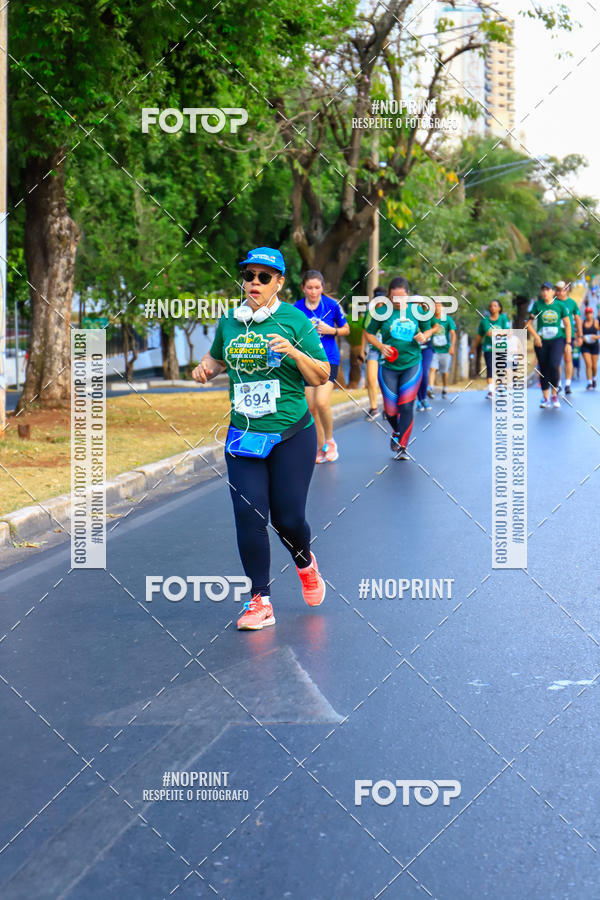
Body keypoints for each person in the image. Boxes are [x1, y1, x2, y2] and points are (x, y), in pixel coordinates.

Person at [192, 247, 329, 630]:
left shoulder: (294, 321)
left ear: (279, 283)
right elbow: (218, 358)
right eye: (249, 276)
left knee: (288, 518)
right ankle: (260, 600)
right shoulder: (230, 323)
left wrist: (294, 353)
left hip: (291, 433)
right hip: (244, 436)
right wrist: (206, 368)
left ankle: (304, 562)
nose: (254, 282)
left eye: (263, 277)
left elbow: (321, 374)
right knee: (248, 514)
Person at [364, 277, 437, 460]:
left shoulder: (418, 310)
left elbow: (430, 329)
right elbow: (368, 333)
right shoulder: (381, 312)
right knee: (390, 411)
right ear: (389, 295)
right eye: (394, 298)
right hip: (388, 366)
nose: (398, 302)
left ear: (408, 295)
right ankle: (397, 431)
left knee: (406, 406)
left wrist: (423, 335)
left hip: (412, 364)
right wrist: (380, 347)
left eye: (402, 298)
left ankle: (403, 446)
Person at [295, 270, 349, 463]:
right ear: (303, 288)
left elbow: (346, 329)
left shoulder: (332, 305)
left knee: (322, 402)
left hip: (329, 359)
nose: (313, 291)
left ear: (322, 288)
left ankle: (330, 440)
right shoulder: (297, 308)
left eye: (317, 287)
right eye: (309, 287)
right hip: (308, 361)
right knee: (311, 408)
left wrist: (331, 330)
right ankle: (321, 447)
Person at [527, 281, 572, 409]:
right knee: (543, 369)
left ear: (553, 292)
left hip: (557, 340)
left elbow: (568, 325)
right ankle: (546, 398)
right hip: (541, 341)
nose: (545, 292)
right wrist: (536, 336)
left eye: (547, 290)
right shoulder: (538, 305)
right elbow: (528, 324)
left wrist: (568, 342)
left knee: (554, 365)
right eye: (543, 290)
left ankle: (554, 395)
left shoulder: (560, 306)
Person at [471, 299, 511, 399]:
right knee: (490, 368)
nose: (492, 307)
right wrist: (473, 348)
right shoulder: (485, 321)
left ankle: (501, 386)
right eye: (491, 306)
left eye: (495, 305)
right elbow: (483, 335)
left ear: (499, 308)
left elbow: (508, 331)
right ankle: (491, 390)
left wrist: (500, 332)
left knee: (501, 367)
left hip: (501, 348)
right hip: (489, 348)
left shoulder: (503, 318)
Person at [360, 286, 387, 420]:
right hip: (373, 350)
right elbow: (365, 331)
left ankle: (389, 408)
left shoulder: (390, 311)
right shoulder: (370, 311)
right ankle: (374, 408)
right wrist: (361, 350)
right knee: (371, 379)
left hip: (387, 350)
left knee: (386, 381)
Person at [554, 280, 582, 394]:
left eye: (562, 290)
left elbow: (578, 319)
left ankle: (568, 384)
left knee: (568, 359)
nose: (560, 292)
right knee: (556, 361)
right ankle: (558, 383)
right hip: (555, 336)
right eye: (558, 290)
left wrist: (580, 335)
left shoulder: (572, 303)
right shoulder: (552, 302)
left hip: (568, 335)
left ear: (567, 290)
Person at [429, 302, 457, 397]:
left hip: (445, 350)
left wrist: (452, 346)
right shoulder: (430, 319)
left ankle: (445, 387)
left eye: (439, 306)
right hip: (433, 349)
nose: (437, 308)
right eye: (435, 306)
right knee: (432, 368)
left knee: (444, 372)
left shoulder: (448, 319)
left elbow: (453, 334)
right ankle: (431, 388)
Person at [415, 298, 437, 411]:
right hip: (414, 348)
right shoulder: (408, 315)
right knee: (418, 374)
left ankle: (423, 399)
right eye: (414, 303)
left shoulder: (427, 314)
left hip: (427, 347)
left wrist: (429, 333)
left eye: (418, 303)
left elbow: (436, 326)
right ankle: (419, 400)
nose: (417, 305)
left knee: (424, 372)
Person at [580, 305, 599, 389]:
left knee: (594, 365)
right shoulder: (582, 323)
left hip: (594, 345)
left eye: (590, 313)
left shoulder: (596, 322)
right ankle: (589, 382)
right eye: (587, 313)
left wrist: (596, 337)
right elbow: (578, 334)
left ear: (592, 313)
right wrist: (581, 337)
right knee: (588, 364)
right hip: (585, 346)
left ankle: (594, 378)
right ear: (585, 314)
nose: (589, 315)